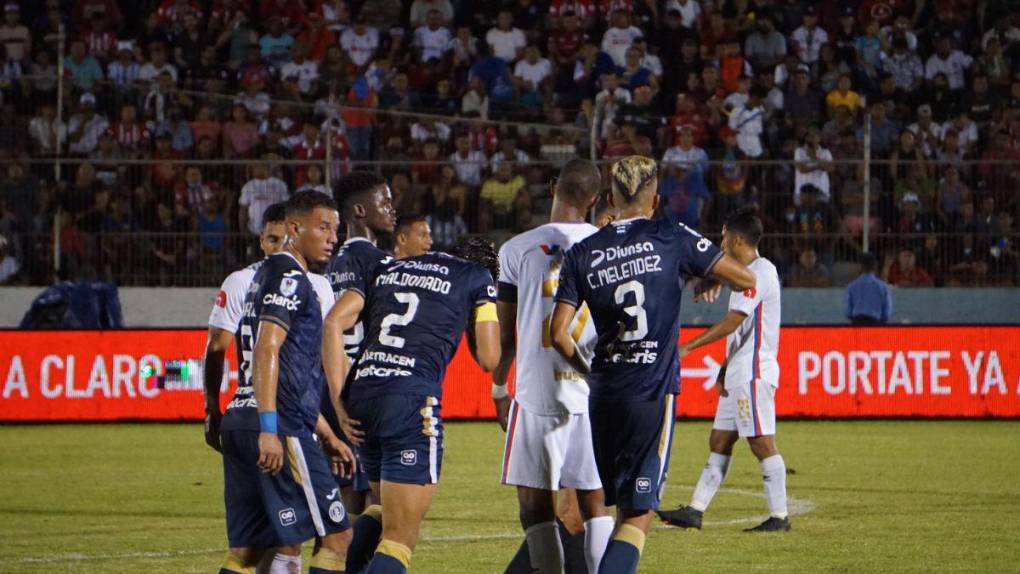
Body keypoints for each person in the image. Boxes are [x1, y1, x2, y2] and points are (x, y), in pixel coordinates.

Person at [549, 156, 756, 574]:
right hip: (651, 392)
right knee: (638, 516)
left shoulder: (583, 252)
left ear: (609, 198)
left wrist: (589, 372)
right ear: (656, 199)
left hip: (603, 393)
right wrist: (710, 275)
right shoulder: (670, 235)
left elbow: (558, 334)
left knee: (609, 509)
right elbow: (746, 279)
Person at [323, 236, 502, 574]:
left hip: (362, 395)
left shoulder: (391, 266)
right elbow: (490, 357)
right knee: (400, 536)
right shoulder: (477, 277)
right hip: (409, 399)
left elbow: (333, 322)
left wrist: (338, 400)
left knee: (381, 510)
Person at [217, 191, 355, 574]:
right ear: (294, 228)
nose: (332, 237)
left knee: (247, 550)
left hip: (243, 418)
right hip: (278, 424)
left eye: (336, 229)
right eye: (323, 227)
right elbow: (267, 350)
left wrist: (326, 434)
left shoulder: (261, 276)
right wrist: (269, 429)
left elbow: (288, 372)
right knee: (337, 537)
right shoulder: (291, 278)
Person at [495, 159, 612, 574]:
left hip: (536, 391)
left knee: (535, 507)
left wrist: (497, 387)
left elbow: (505, 336)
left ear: (552, 187)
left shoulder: (516, 248)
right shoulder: (609, 246)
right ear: (595, 199)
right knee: (595, 501)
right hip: (593, 390)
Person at [658, 209, 791, 533]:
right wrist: (724, 370)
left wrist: (690, 346)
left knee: (761, 442)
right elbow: (742, 331)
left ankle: (780, 516)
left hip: (754, 372)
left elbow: (735, 321)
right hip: (738, 372)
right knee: (719, 441)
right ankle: (695, 510)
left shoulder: (761, 272)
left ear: (737, 239)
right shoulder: (744, 275)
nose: (721, 242)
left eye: (723, 237)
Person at [321, 172, 397, 572]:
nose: (392, 209)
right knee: (386, 506)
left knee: (348, 502)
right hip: (368, 392)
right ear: (360, 211)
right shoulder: (378, 262)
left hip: (335, 391)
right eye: (384, 202)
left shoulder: (332, 262)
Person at [844, 253, 893, 324]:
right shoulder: (883, 287)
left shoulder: (852, 286)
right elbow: (886, 312)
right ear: (875, 267)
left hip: (857, 323)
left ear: (860, 266)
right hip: (875, 323)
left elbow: (847, 311)